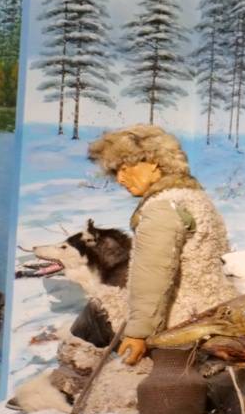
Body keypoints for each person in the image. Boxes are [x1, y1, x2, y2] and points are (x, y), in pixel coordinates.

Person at [87, 124, 232, 369]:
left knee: (94, 313)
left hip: (183, 321)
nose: (120, 179)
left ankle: (70, 377)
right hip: (213, 313)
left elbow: (153, 272)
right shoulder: (195, 198)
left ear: (153, 162)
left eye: (124, 168)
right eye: (115, 173)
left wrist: (139, 332)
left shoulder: (162, 208)